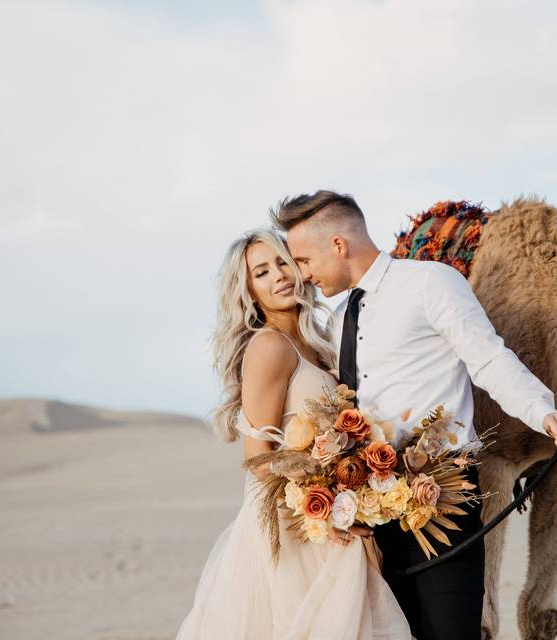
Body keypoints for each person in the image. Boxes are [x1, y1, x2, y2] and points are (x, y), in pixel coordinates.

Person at [273, 191, 557, 640]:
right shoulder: (338, 318)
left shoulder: (430, 283)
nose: (303, 274)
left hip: (441, 496)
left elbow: (488, 359)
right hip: (370, 508)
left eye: (304, 259)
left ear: (338, 244)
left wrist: (543, 413)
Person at [174, 228, 411, 640]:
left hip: (338, 513)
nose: (279, 276)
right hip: (294, 529)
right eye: (262, 272)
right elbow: (257, 454)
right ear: (248, 290)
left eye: (284, 262)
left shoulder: (320, 342)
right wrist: (319, 515)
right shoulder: (269, 346)